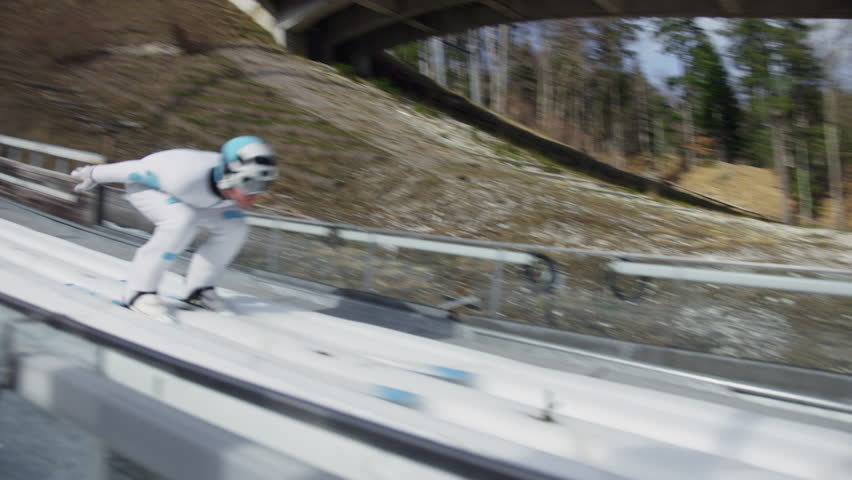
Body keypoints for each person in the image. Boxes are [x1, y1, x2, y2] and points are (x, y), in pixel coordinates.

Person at [71, 136, 278, 317]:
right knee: (181, 222)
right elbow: (134, 170)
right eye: (251, 185)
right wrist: (94, 173)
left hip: (204, 200)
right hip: (150, 187)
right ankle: (139, 292)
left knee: (235, 227)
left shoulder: (229, 187)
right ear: (230, 174)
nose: (256, 195)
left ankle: (198, 290)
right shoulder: (183, 175)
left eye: (263, 186)